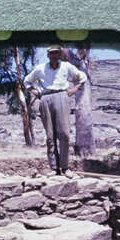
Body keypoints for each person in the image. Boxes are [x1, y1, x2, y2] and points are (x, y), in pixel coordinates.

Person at [24, 45, 87, 177]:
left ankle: (65, 168)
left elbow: (81, 77)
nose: (54, 56)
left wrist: (74, 89)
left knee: (64, 133)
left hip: (62, 96)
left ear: (60, 55)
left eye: (57, 53)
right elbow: (27, 82)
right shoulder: (40, 68)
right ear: (48, 55)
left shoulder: (66, 66)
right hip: (45, 98)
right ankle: (54, 168)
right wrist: (36, 93)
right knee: (50, 136)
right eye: (52, 53)